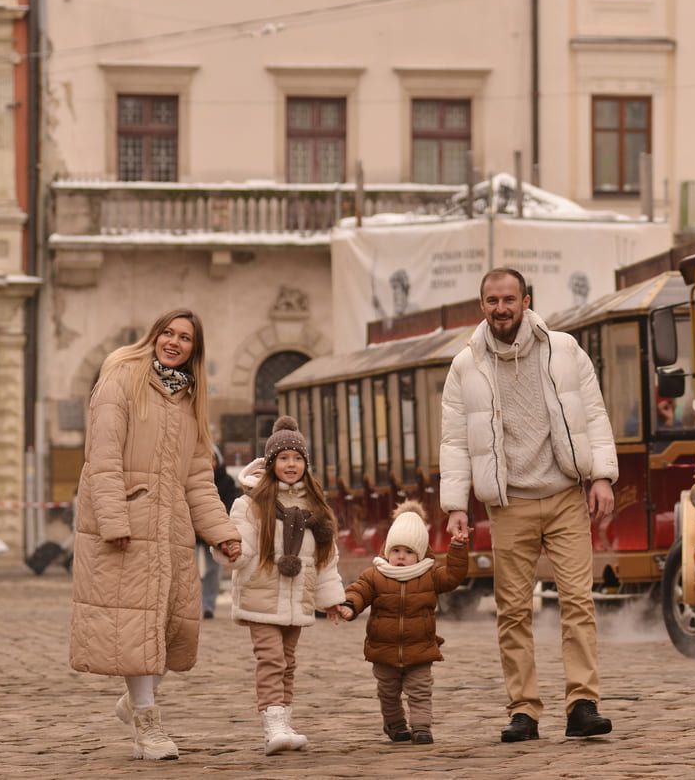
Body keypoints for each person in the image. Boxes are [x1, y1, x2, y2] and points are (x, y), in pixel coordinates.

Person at [440, 267, 618, 743]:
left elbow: (594, 414)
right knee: (512, 610)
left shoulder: (564, 350)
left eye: (509, 299)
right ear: (482, 305)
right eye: (492, 300)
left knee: (578, 602)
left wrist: (601, 475)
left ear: (526, 300)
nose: (501, 308)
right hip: (509, 501)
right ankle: (524, 709)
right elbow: (455, 440)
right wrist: (456, 504)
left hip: (563, 495)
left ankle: (582, 703)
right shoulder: (465, 366)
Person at [69, 308, 242, 762]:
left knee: (167, 628)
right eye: (168, 332)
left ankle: (135, 702)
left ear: (194, 351)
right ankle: (147, 725)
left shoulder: (191, 401)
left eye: (185, 338)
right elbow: (102, 458)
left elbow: (199, 480)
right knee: (137, 628)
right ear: (154, 336)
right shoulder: (121, 380)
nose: (174, 342)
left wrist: (221, 532)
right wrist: (114, 521)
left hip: (172, 530)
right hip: (127, 524)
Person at [216, 416, 342, 756]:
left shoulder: (316, 507)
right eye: (284, 458)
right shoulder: (251, 504)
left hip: (296, 599)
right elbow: (242, 550)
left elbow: (326, 559)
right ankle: (272, 722)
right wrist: (231, 549)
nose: (291, 464)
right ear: (271, 463)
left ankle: (284, 720)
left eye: (297, 458)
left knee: (288, 660)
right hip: (262, 597)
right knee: (271, 659)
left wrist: (331, 599)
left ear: (305, 464)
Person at [335, 500, 469, 745]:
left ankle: (421, 727)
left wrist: (458, 549)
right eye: (396, 551)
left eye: (408, 553)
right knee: (388, 693)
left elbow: (453, 576)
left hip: (419, 649)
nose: (400, 557)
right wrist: (349, 605)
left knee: (420, 691)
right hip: (383, 649)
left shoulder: (429, 574)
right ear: (387, 550)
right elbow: (359, 591)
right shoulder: (376, 574)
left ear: (419, 554)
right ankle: (395, 725)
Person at [199, 447, 238, 619]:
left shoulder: (226, 481)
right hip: (192, 530)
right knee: (188, 570)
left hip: (214, 531)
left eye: (212, 459)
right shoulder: (193, 478)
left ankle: (208, 605)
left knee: (213, 570)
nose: (210, 463)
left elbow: (232, 503)